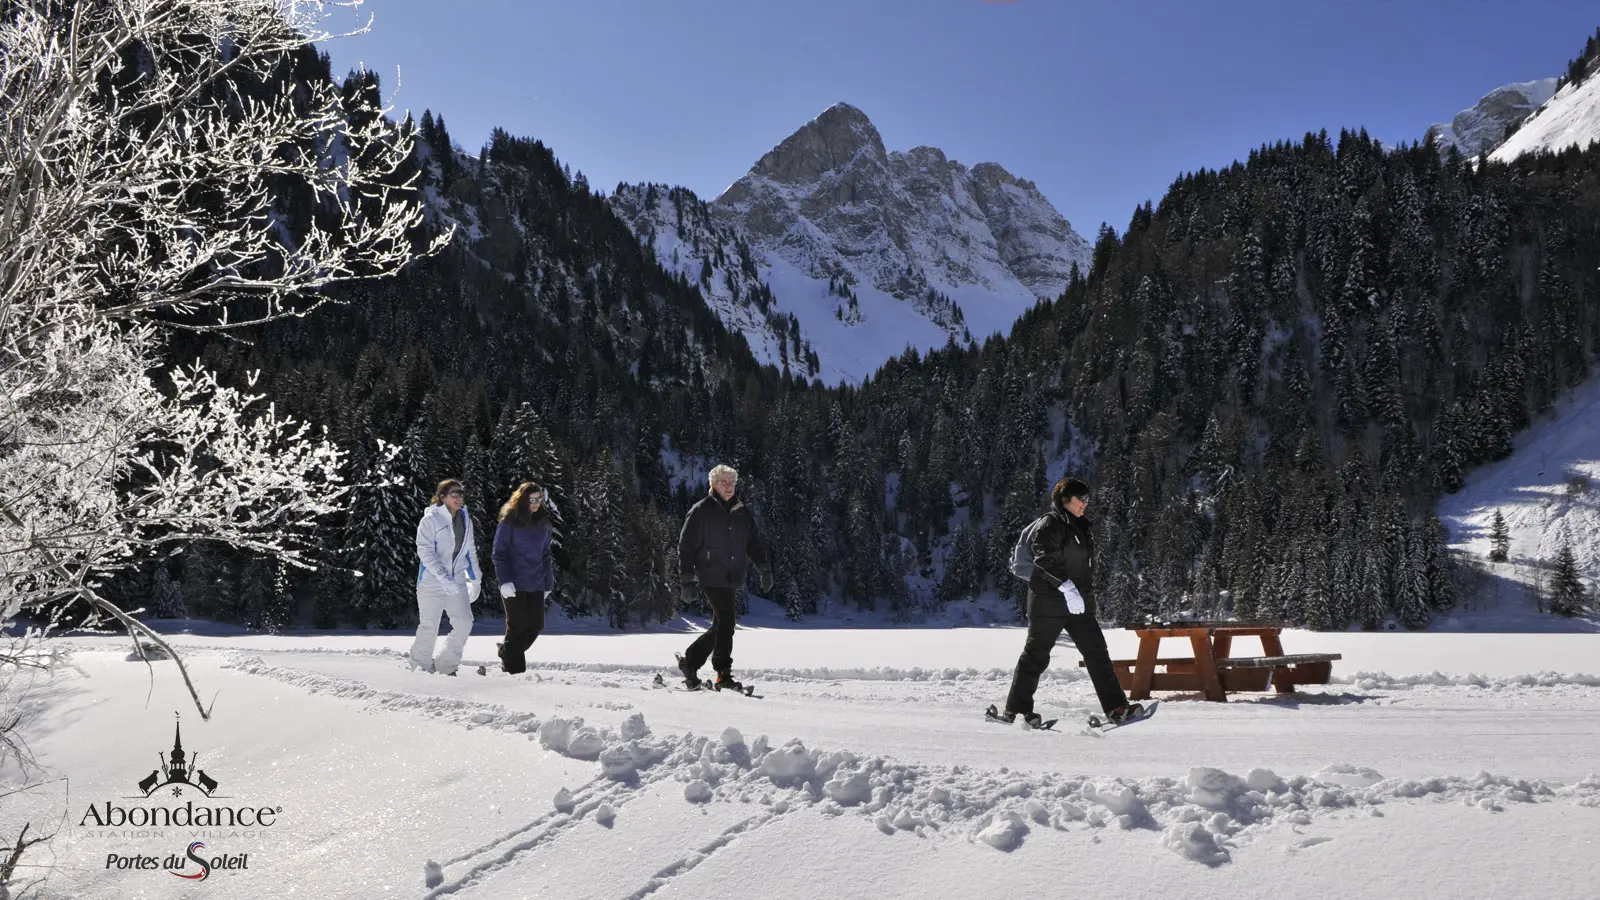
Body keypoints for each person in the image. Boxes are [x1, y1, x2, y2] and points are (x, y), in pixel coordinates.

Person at [1000, 477, 1142, 726]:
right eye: (1082, 498)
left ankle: (1117, 708)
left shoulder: (1079, 526)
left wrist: (1082, 595)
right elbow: (1043, 559)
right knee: (1036, 656)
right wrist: (1066, 587)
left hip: (1078, 605)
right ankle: (1017, 711)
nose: (1086, 503)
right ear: (1065, 500)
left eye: (1088, 498)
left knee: (1097, 653)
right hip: (1048, 603)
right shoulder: (1050, 524)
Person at [676, 464, 771, 691]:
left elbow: (753, 543)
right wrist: (686, 580)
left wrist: (764, 568)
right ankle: (723, 674)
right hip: (709, 573)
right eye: (723, 482)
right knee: (727, 621)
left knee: (720, 625)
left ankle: (690, 663)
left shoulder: (741, 511)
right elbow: (686, 545)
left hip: (731, 575)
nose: (729, 487)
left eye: (732, 482)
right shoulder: (701, 510)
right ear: (713, 484)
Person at [410, 479, 481, 675]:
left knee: (464, 623)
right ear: (443, 497)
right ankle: (420, 667)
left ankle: (446, 666)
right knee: (429, 627)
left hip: (457, 580)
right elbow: (425, 552)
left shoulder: (466, 519)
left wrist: (476, 579)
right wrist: (443, 578)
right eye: (454, 494)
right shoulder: (430, 520)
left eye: (461, 494)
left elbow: (470, 551)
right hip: (430, 582)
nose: (459, 498)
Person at [492, 482, 555, 674]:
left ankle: (506, 652)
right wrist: (504, 581)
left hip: (536, 582)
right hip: (514, 583)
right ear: (522, 500)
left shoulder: (543, 523)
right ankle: (515, 674)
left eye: (539, 499)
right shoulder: (508, 522)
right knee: (517, 628)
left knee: (534, 627)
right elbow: (499, 553)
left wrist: (548, 582)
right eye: (532, 500)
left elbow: (546, 554)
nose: (536, 504)